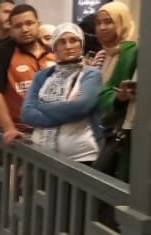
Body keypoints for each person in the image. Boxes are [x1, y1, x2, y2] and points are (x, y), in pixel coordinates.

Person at [21, 23, 103, 164]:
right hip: (40, 155)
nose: (68, 46)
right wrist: (67, 109)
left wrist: (40, 106)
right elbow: (27, 113)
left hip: (81, 158)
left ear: (81, 44)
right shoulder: (42, 76)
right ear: (55, 47)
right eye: (62, 42)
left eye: (73, 40)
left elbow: (80, 107)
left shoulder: (91, 74)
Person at [0, 3, 55, 146]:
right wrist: (9, 129)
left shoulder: (53, 53)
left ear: (38, 24)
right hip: (21, 136)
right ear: (11, 29)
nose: (25, 29)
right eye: (18, 26)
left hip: (52, 133)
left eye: (29, 23)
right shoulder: (1, 54)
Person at [93, 1, 138, 180]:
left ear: (122, 23)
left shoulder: (131, 53)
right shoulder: (102, 55)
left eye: (109, 22)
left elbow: (109, 91)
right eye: (98, 23)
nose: (102, 27)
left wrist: (115, 97)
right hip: (98, 129)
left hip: (116, 130)